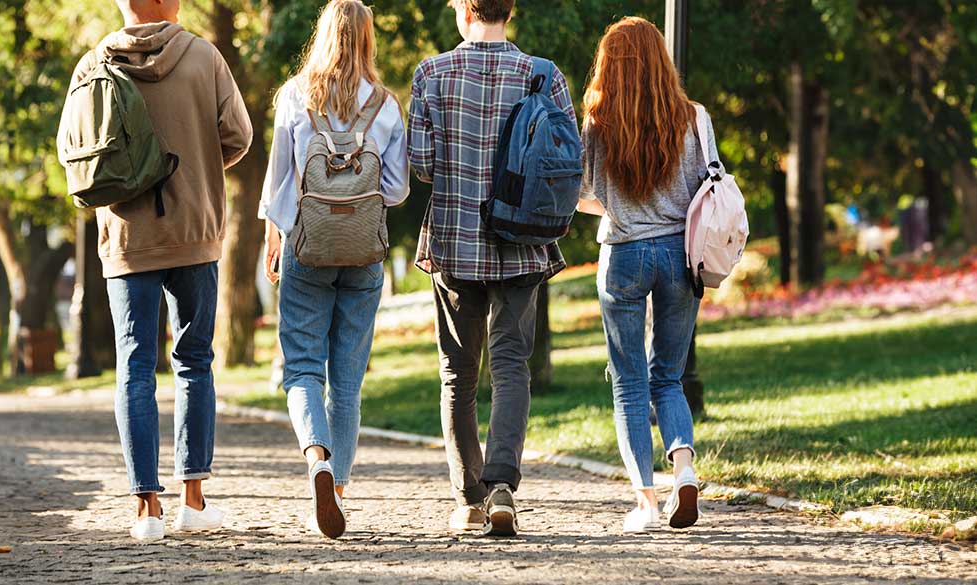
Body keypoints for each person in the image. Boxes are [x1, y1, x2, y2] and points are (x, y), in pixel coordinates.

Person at [69, 0, 252, 541]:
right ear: (172, 4)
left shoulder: (92, 65)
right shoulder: (204, 57)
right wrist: (195, 165)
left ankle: (145, 508)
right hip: (194, 231)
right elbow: (238, 136)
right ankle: (193, 500)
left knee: (134, 365)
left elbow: (76, 154)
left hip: (127, 234)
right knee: (194, 361)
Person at [408, 0, 577, 536]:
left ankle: (468, 498)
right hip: (523, 240)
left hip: (456, 242)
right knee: (511, 366)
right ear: (512, 11)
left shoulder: (431, 74)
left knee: (458, 373)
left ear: (463, 11)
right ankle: (503, 487)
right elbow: (567, 164)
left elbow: (422, 166)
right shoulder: (543, 75)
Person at [259, 0, 409, 539]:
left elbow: (279, 182)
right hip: (364, 254)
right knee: (347, 382)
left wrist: (273, 240)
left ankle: (317, 461)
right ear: (368, 41)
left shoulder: (295, 98)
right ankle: (338, 491)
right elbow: (395, 191)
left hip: (307, 246)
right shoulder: (387, 106)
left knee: (301, 367)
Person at [576, 16, 711, 533]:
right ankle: (684, 470)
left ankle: (647, 505)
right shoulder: (695, 119)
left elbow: (585, 196)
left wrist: (619, 206)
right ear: (661, 60)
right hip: (681, 255)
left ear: (610, 64)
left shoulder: (598, 121)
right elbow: (711, 188)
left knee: (629, 384)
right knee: (668, 376)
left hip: (624, 257)